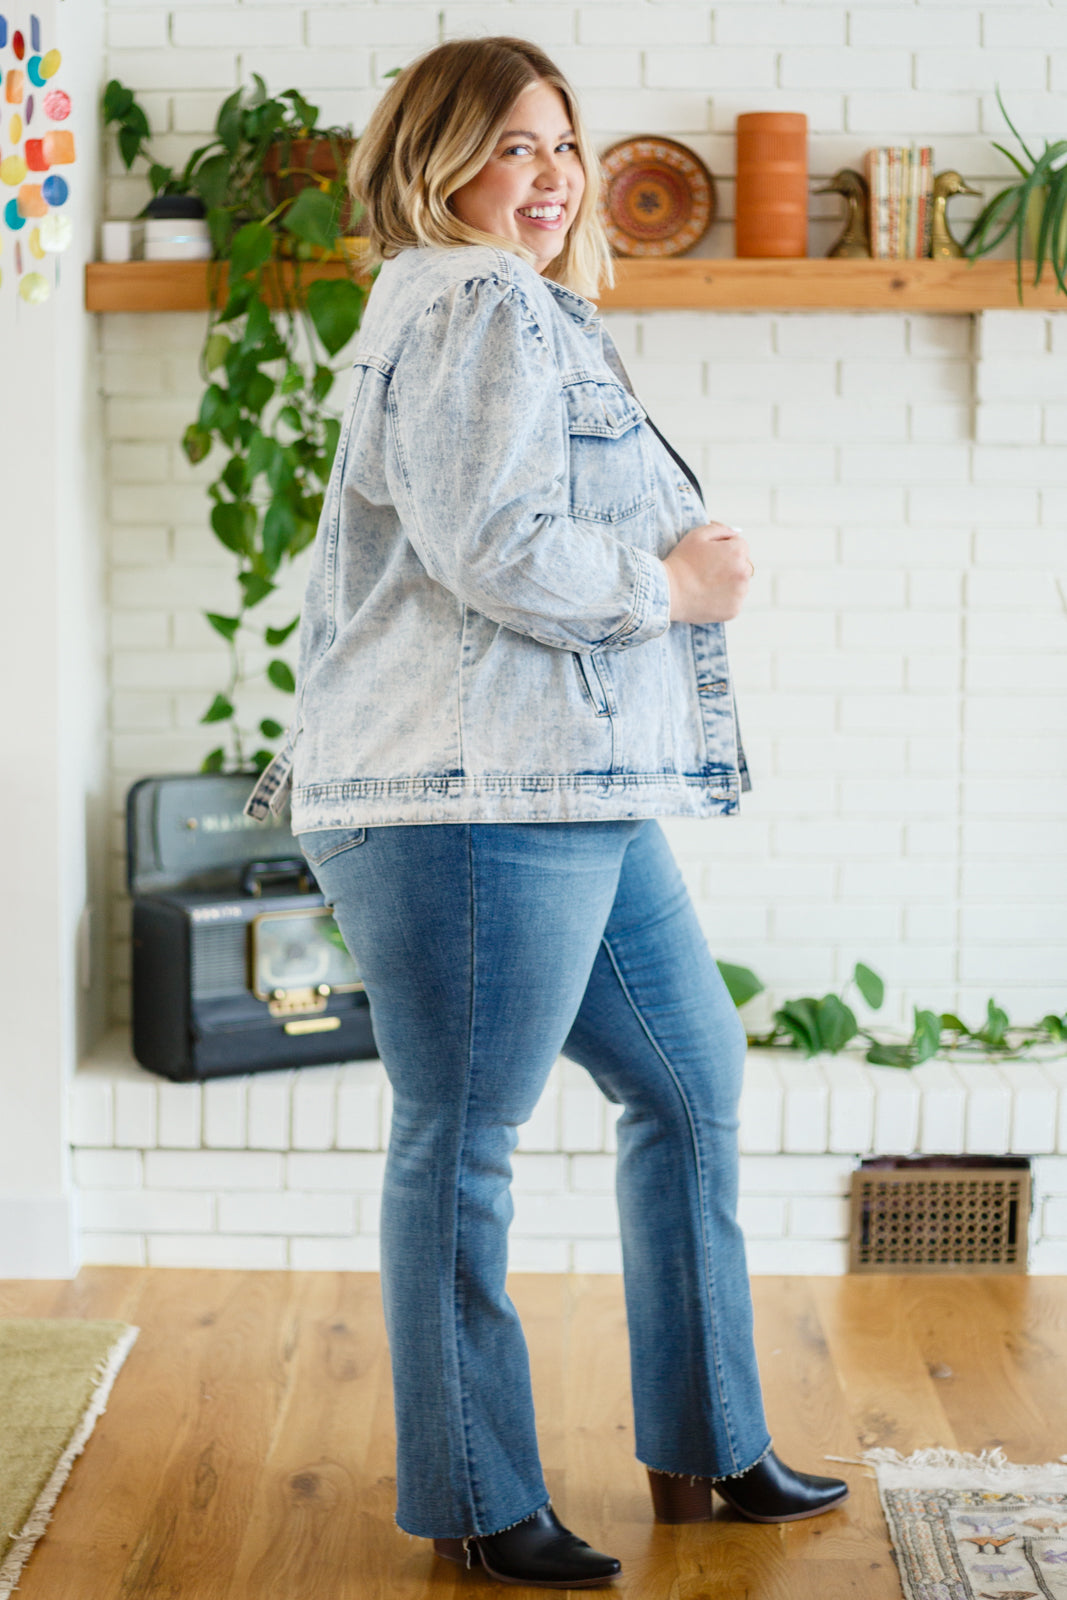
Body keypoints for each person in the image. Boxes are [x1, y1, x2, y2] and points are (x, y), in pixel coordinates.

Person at [245, 36, 848, 1590]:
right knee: (464, 1143)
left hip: (560, 783)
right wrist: (674, 586)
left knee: (692, 1079)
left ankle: (710, 1441)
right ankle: (474, 1496)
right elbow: (498, 543)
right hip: (466, 796)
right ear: (439, 164)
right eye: (515, 146)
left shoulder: (508, 308)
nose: (553, 176)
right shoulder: (472, 303)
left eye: (564, 146)